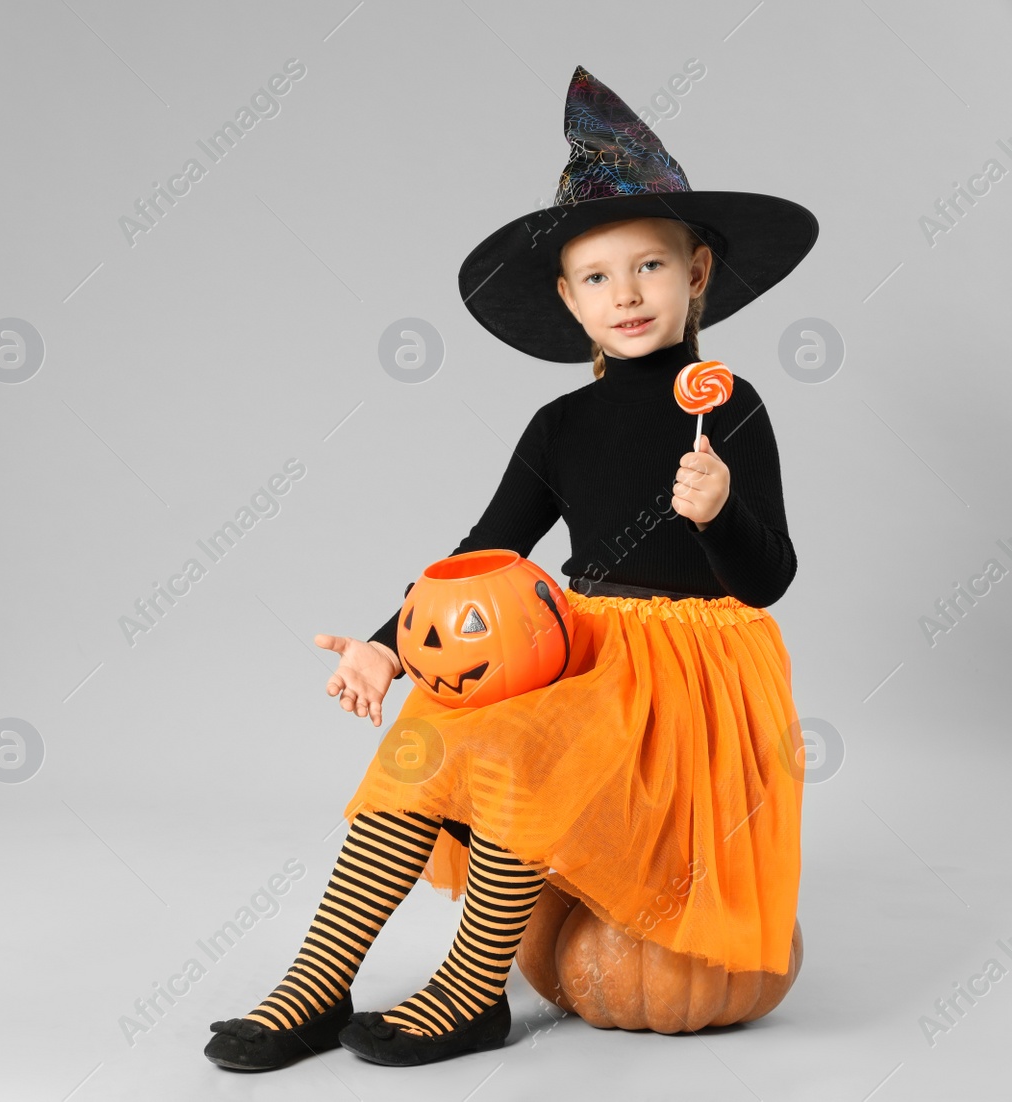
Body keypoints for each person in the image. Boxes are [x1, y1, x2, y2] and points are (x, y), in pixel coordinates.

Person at [205, 64, 817, 1071]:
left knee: (523, 747)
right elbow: (480, 555)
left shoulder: (728, 407)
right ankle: (317, 979)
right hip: (578, 637)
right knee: (432, 727)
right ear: (568, 301)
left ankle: (470, 986)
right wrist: (382, 644)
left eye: (650, 268)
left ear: (697, 273)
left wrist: (719, 515)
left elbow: (769, 577)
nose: (625, 294)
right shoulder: (559, 424)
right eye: (595, 277)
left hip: (693, 666)